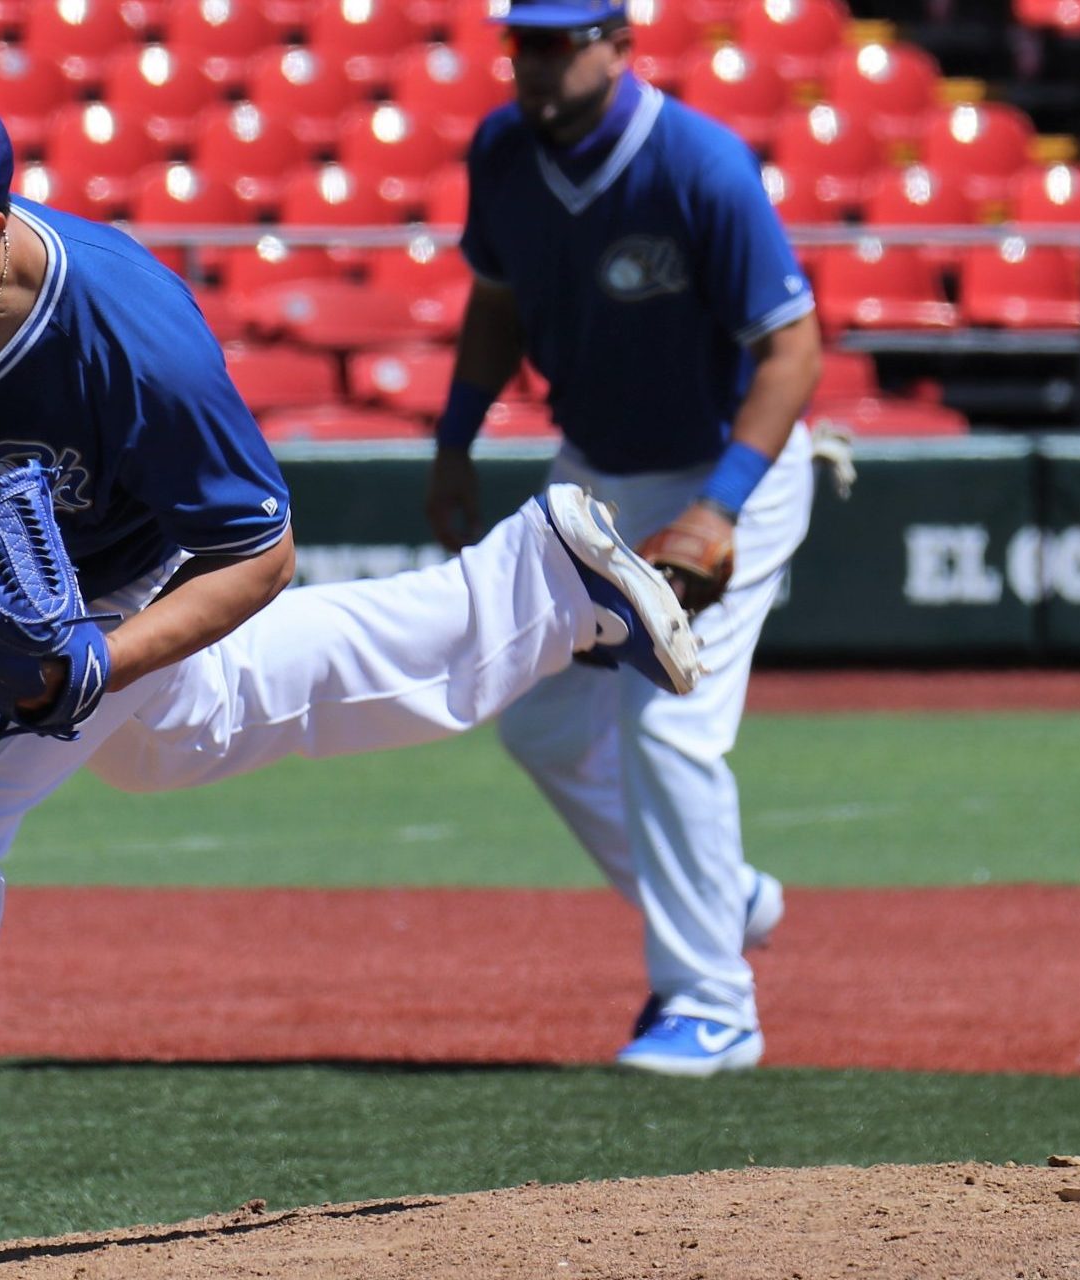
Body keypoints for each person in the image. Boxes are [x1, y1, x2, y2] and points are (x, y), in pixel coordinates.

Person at [0, 70, 702, 1280]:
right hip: (37, 612)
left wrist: (97, 660)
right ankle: (540, 588)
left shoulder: (127, 326)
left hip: (135, 574)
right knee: (183, 731)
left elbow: (260, 549)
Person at [426, 0, 826, 1077]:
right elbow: (497, 299)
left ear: (618, 43)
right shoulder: (503, 149)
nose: (537, 60)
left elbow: (791, 349)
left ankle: (712, 1003)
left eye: (559, 40)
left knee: (667, 724)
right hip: (597, 469)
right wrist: (454, 441)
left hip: (726, 466)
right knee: (545, 724)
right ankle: (722, 893)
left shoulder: (700, 164)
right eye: (523, 40)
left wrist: (720, 506)